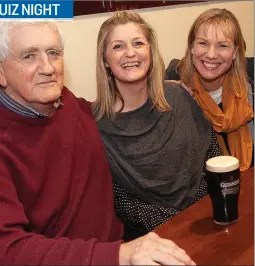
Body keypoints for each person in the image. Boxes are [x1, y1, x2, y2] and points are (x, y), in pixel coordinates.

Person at [0, 20, 195, 265]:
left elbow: (114, 109)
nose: (48, 67)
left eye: (53, 53)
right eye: (29, 56)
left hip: (129, 246)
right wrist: (119, 255)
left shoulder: (66, 102)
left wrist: (163, 88)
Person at [92, 11, 223, 240]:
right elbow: (121, 201)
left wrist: (198, 215)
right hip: (149, 241)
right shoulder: (94, 125)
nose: (130, 53)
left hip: (206, 220)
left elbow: (212, 153)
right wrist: (178, 224)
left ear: (150, 51)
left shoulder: (179, 97)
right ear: (105, 59)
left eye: (138, 43)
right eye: (118, 46)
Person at [177, 8, 254, 171]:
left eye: (222, 45)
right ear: (192, 47)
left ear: (235, 52)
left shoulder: (250, 90)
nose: (211, 55)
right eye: (203, 43)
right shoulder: (177, 95)